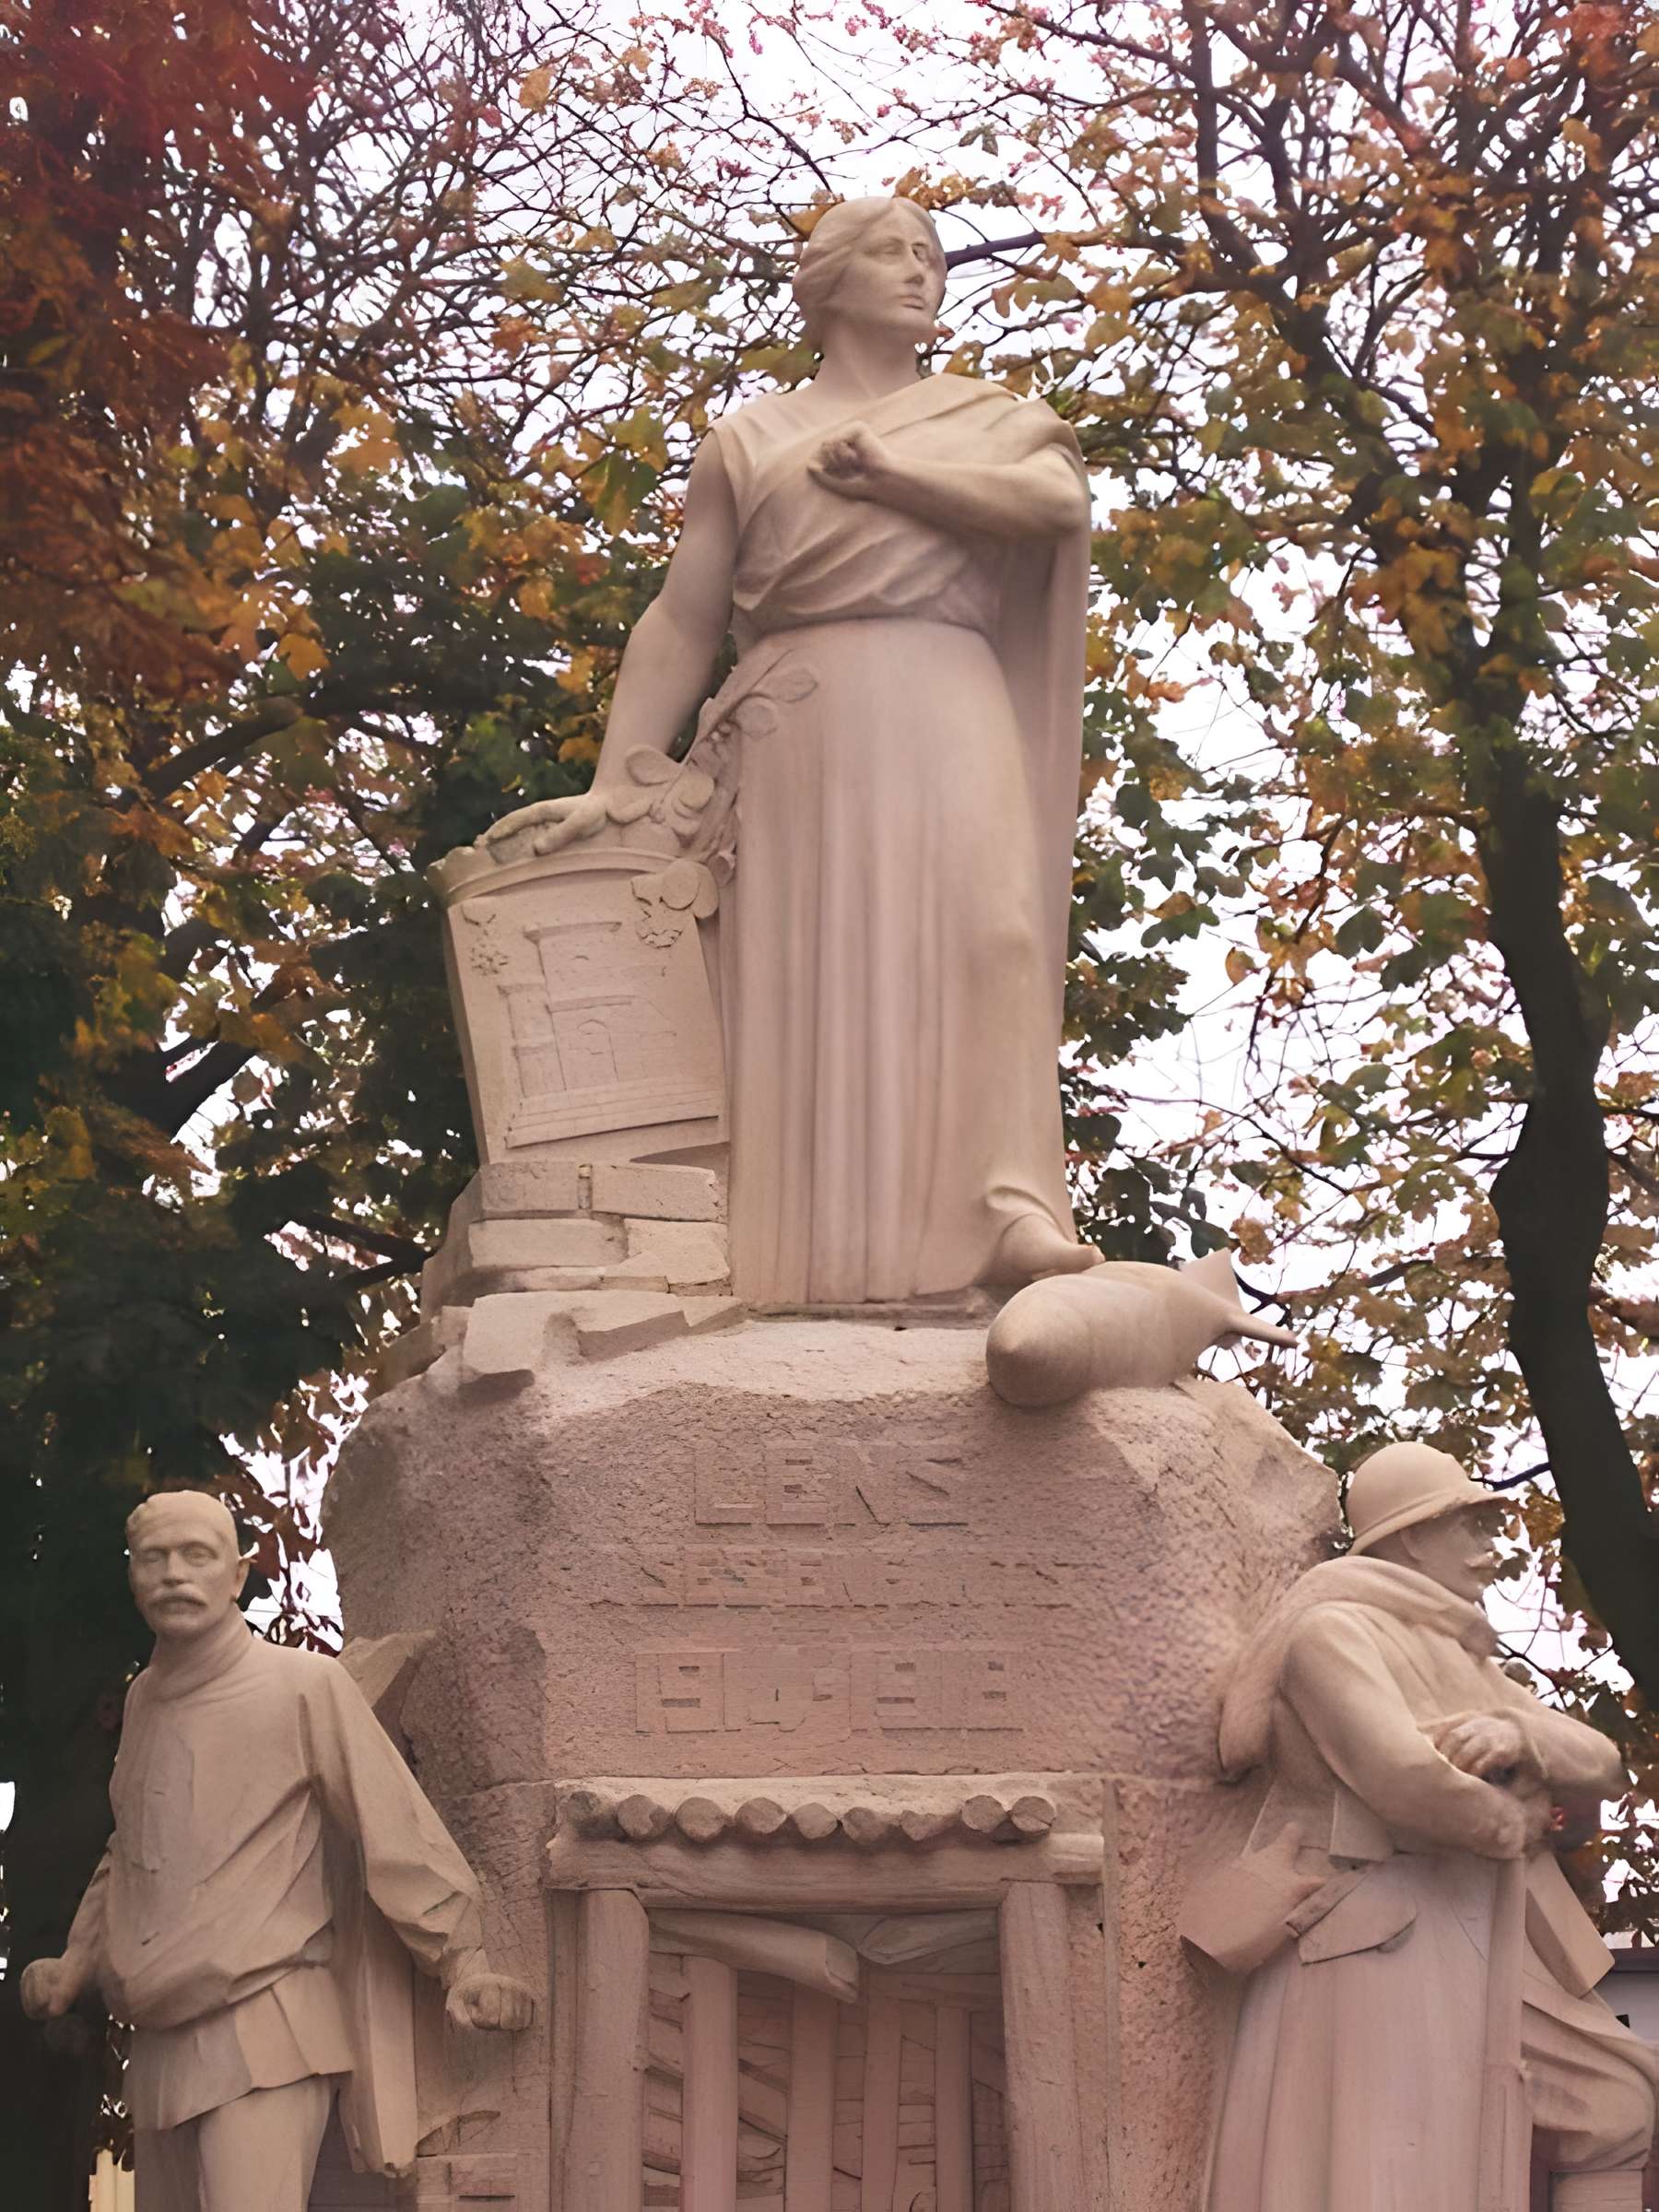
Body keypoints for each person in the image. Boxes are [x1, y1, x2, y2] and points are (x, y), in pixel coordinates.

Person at [495, 195, 1102, 1307]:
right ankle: (800, 1257)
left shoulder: (991, 420)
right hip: (804, 716)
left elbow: (1054, 505)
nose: (920, 273)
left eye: (931, 257)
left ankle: (1007, 1207)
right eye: (892, 253)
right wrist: (618, 774)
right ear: (826, 282)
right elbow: (684, 617)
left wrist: (895, 478)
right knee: (814, 971)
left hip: (948, 690)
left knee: (997, 936)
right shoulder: (751, 440)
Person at [22, 1490, 532, 2210]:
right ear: (131, 1575)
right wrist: (76, 1959)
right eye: (154, 1559)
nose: (174, 1575)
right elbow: (131, 1846)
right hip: (158, 2039)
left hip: (267, 2023)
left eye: (196, 1556)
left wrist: (463, 1961)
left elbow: (391, 1824)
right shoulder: (143, 1701)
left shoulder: (303, 1684)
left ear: (237, 1575)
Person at [1185, 1441, 1658, 2212]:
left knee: (1616, 2101)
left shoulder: (1463, 1657)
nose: (1491, 1549)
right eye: (1469, 1527)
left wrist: (1519, 1734)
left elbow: (1603, 1763)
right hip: (1373, 1933)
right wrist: (1521, 1818)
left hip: (1465, 1918)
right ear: (1409, 1537)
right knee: (1383, 2169)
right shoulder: (1330, 1633)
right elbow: (1403, 1779)